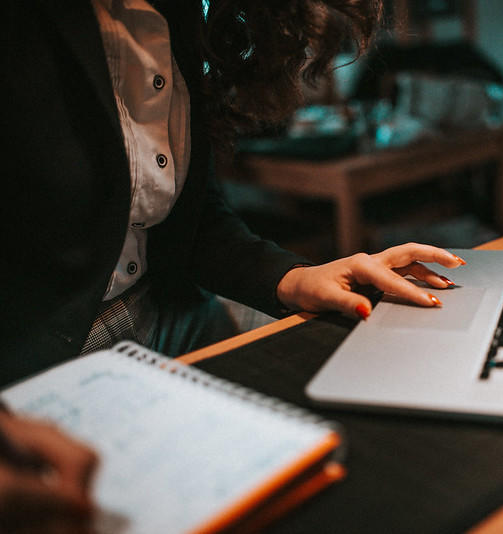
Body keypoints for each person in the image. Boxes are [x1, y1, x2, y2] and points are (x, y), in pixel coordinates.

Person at [0, 0, 463, 529]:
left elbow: (191, 222)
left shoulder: (173, 17)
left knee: (384, 413)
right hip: (36, 363)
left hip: (168, 312)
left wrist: (293, 276)